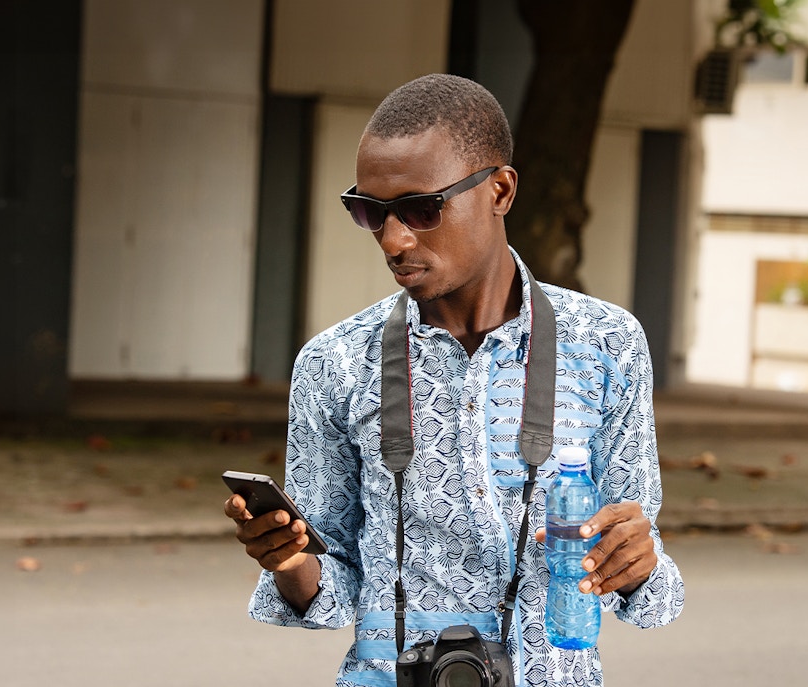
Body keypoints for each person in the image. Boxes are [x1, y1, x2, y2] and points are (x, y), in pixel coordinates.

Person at [225, 73, 683, 687]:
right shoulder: (332, 363)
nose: (393, 238)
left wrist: (640, 562)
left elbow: (643, 578)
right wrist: (289, 560)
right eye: (369, 212)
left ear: (499, 190)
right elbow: (328, 588)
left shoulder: (607, 344)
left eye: (420, 208)